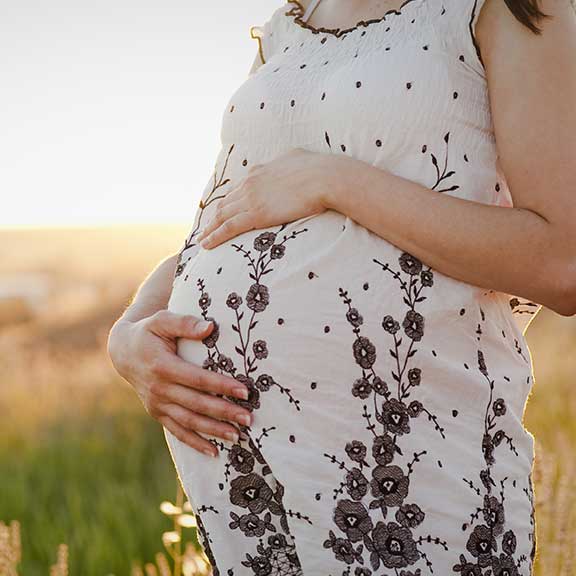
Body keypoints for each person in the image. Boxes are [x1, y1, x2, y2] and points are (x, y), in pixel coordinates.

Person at [108, 0, 576, 573]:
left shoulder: (506, 8)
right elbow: (219, 222)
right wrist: (127, 335)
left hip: (408, 458)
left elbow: (562, 260)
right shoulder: (288, 27)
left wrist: (332, 179)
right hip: (230, 454)